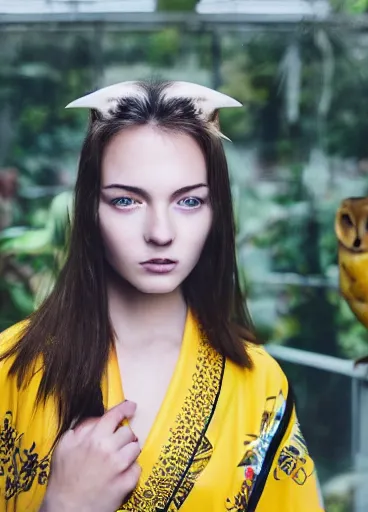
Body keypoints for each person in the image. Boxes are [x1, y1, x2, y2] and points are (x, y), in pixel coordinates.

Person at [0, 80, 324, 512]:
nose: (160, 233)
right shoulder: (10, 369)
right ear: (90, 209)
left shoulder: (259, 382)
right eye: (126, 202)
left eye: (188, 201)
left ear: (217, 211)